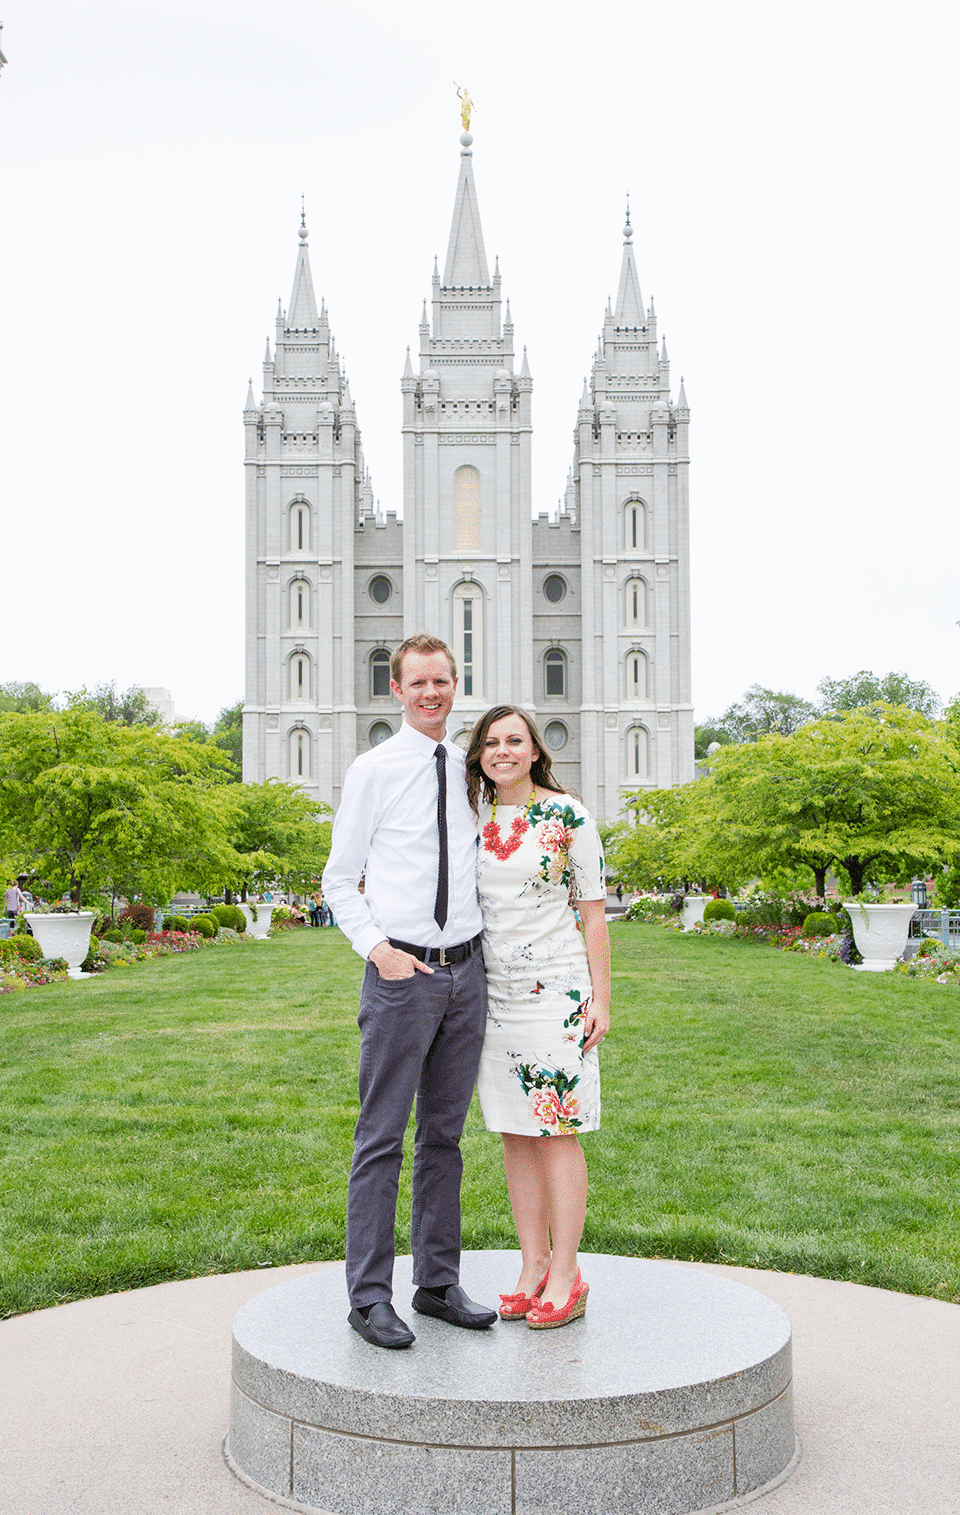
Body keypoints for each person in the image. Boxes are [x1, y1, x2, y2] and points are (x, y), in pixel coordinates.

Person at [322, 633, 496, 1350]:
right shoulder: (374, 769)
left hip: (466, 973)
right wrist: (380, 952)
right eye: (418, 682)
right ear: (398, 689)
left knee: (445, 1137)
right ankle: (368, 1296)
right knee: (381, 1137)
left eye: (442, 681)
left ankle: (435, 1282)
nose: (431, 693)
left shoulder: (467, 770)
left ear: (457, 685)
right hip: (404, 975)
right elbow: (338, 879)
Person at [465, 705, 611, 1330]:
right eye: (492, 742)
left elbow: (594, 913)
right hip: (492, 998)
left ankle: (567, 1273)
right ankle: (531, 1266)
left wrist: (601, 999)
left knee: (556, 1129)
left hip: (556, 994)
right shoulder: (472, 818)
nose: (502, 751)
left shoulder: (567, 815)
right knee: (515, 1131)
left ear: (534, 750)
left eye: (514, 741)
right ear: (480, 754)